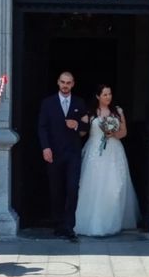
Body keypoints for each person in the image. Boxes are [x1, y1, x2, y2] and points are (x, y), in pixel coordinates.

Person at [75, 84, 139, 236]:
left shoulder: (117, 111)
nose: (108, 97)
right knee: (93, 186)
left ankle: (112, 222)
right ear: (98, 96)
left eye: (109, 94)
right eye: (104, 94)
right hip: (95, 153)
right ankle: (92, 223)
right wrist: (75, 125)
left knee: (115, 186)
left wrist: (113, 134)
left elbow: (124, 132)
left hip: (114, 152)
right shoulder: (90, 113)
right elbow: (82, 132)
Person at [38, 71, 89, 242]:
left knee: (72, 188)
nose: (65, 85)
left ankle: (69, 226)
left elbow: (86, 126)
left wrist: (77, 125)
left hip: (73, 152)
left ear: (73, 84)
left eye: (68, 82)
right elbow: (42, 127)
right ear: (58, 83)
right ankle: (58, 224)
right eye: (63, 82)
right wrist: (45, 148)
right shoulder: (48, 103)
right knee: (56, 189)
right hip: (54, 152)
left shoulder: (80, 102)